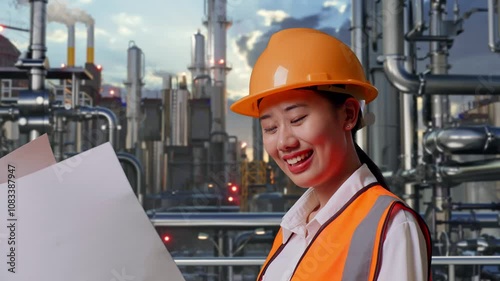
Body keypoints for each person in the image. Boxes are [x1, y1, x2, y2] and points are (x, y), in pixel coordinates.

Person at [230, 28, 432, 281]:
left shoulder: (391, 225)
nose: (284, 142)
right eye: (270, 128)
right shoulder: (294, 227)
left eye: (297, 118)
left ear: (348, 115)